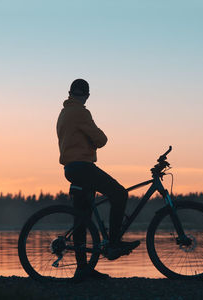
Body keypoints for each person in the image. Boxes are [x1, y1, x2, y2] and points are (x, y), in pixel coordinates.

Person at [56, 79, 140, 281]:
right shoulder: (81, 112)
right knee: (119, 193)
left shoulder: (64, 113)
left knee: (82, 218)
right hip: (83, 166)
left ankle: (83, 269)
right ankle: (113, 242)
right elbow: (101, 139)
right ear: (86, 95)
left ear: (70, 93)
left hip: (71, 168)